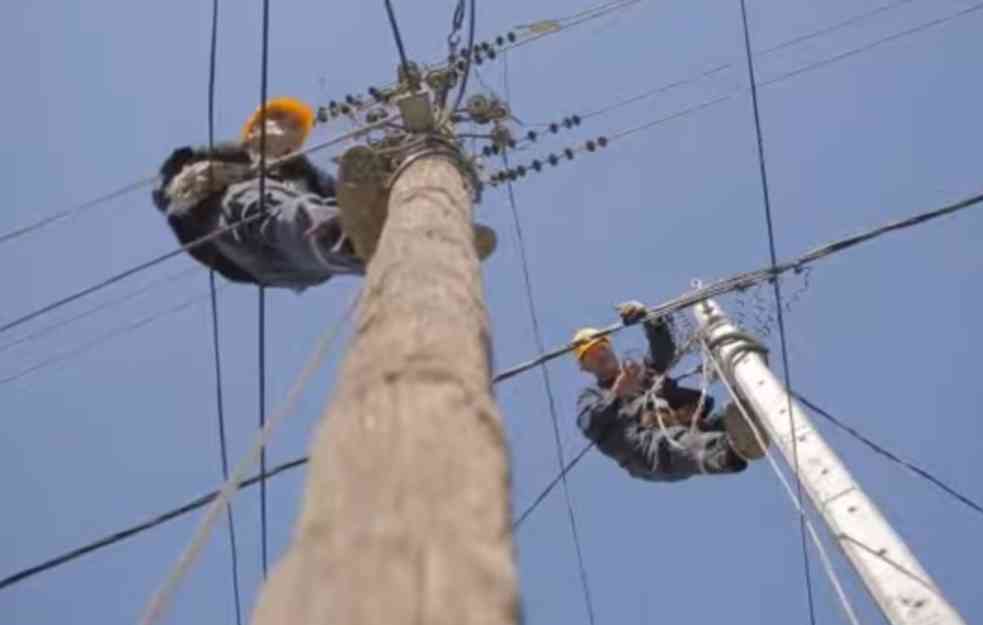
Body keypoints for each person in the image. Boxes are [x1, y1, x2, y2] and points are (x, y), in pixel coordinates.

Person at [152, 97, 496, 292]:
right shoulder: (219, 156)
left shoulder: (305, 174)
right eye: (277, 120)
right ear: (254, 128)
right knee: (262, 202)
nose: (284, 129)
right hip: (243, 242)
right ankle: (356, 238)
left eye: (291, 128)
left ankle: (409, 240)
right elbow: (167, 186)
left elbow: (349, 196)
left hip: (301, 261)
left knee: (297, 207)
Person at [573, 300, 769, 482]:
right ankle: (725, 452)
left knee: (732, 414)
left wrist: (650, 320)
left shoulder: (640, 374)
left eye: (601, 347)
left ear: (610, 348)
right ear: (584, 367)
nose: (598, 354)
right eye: (589, 354)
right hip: (647, 449)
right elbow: (590, 422)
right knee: (676, 444)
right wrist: (618, 393)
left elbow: (663, 352)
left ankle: (761, 417)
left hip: (684, 426)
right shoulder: (591, 396)